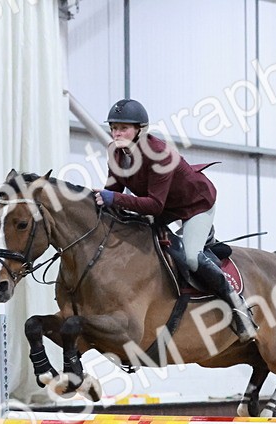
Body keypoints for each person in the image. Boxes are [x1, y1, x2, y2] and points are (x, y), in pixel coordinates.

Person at [94, 98, 257, 343]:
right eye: (114, 128)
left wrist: (112, 198)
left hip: (195, 204)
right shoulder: (116, 153)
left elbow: (153, 205)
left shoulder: (158, 154)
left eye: (123, 128)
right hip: (163, 205)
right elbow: (114, 190)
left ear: (140, 129)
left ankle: (238, 305)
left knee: (191, 257)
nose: (117, 133)